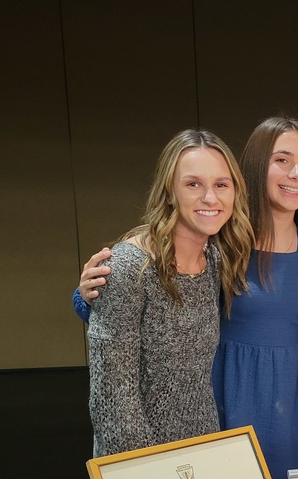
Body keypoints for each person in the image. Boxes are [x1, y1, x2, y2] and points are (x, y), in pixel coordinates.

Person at [74, 118, 298, 479]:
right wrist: (86, 295)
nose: (296, 173)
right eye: (282, 159)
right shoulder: (194, 247)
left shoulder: (295, 245)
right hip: (195, 418)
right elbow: (114, 384)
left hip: (252, 418)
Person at [88, 128, 253, 456]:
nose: (210, 198)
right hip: (140, 459)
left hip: (201, 446)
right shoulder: (129, 268)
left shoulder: (215, 258)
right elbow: (113, 399)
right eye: (193, 184)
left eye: (221, 185)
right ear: (168, 192)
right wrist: (147, 470)